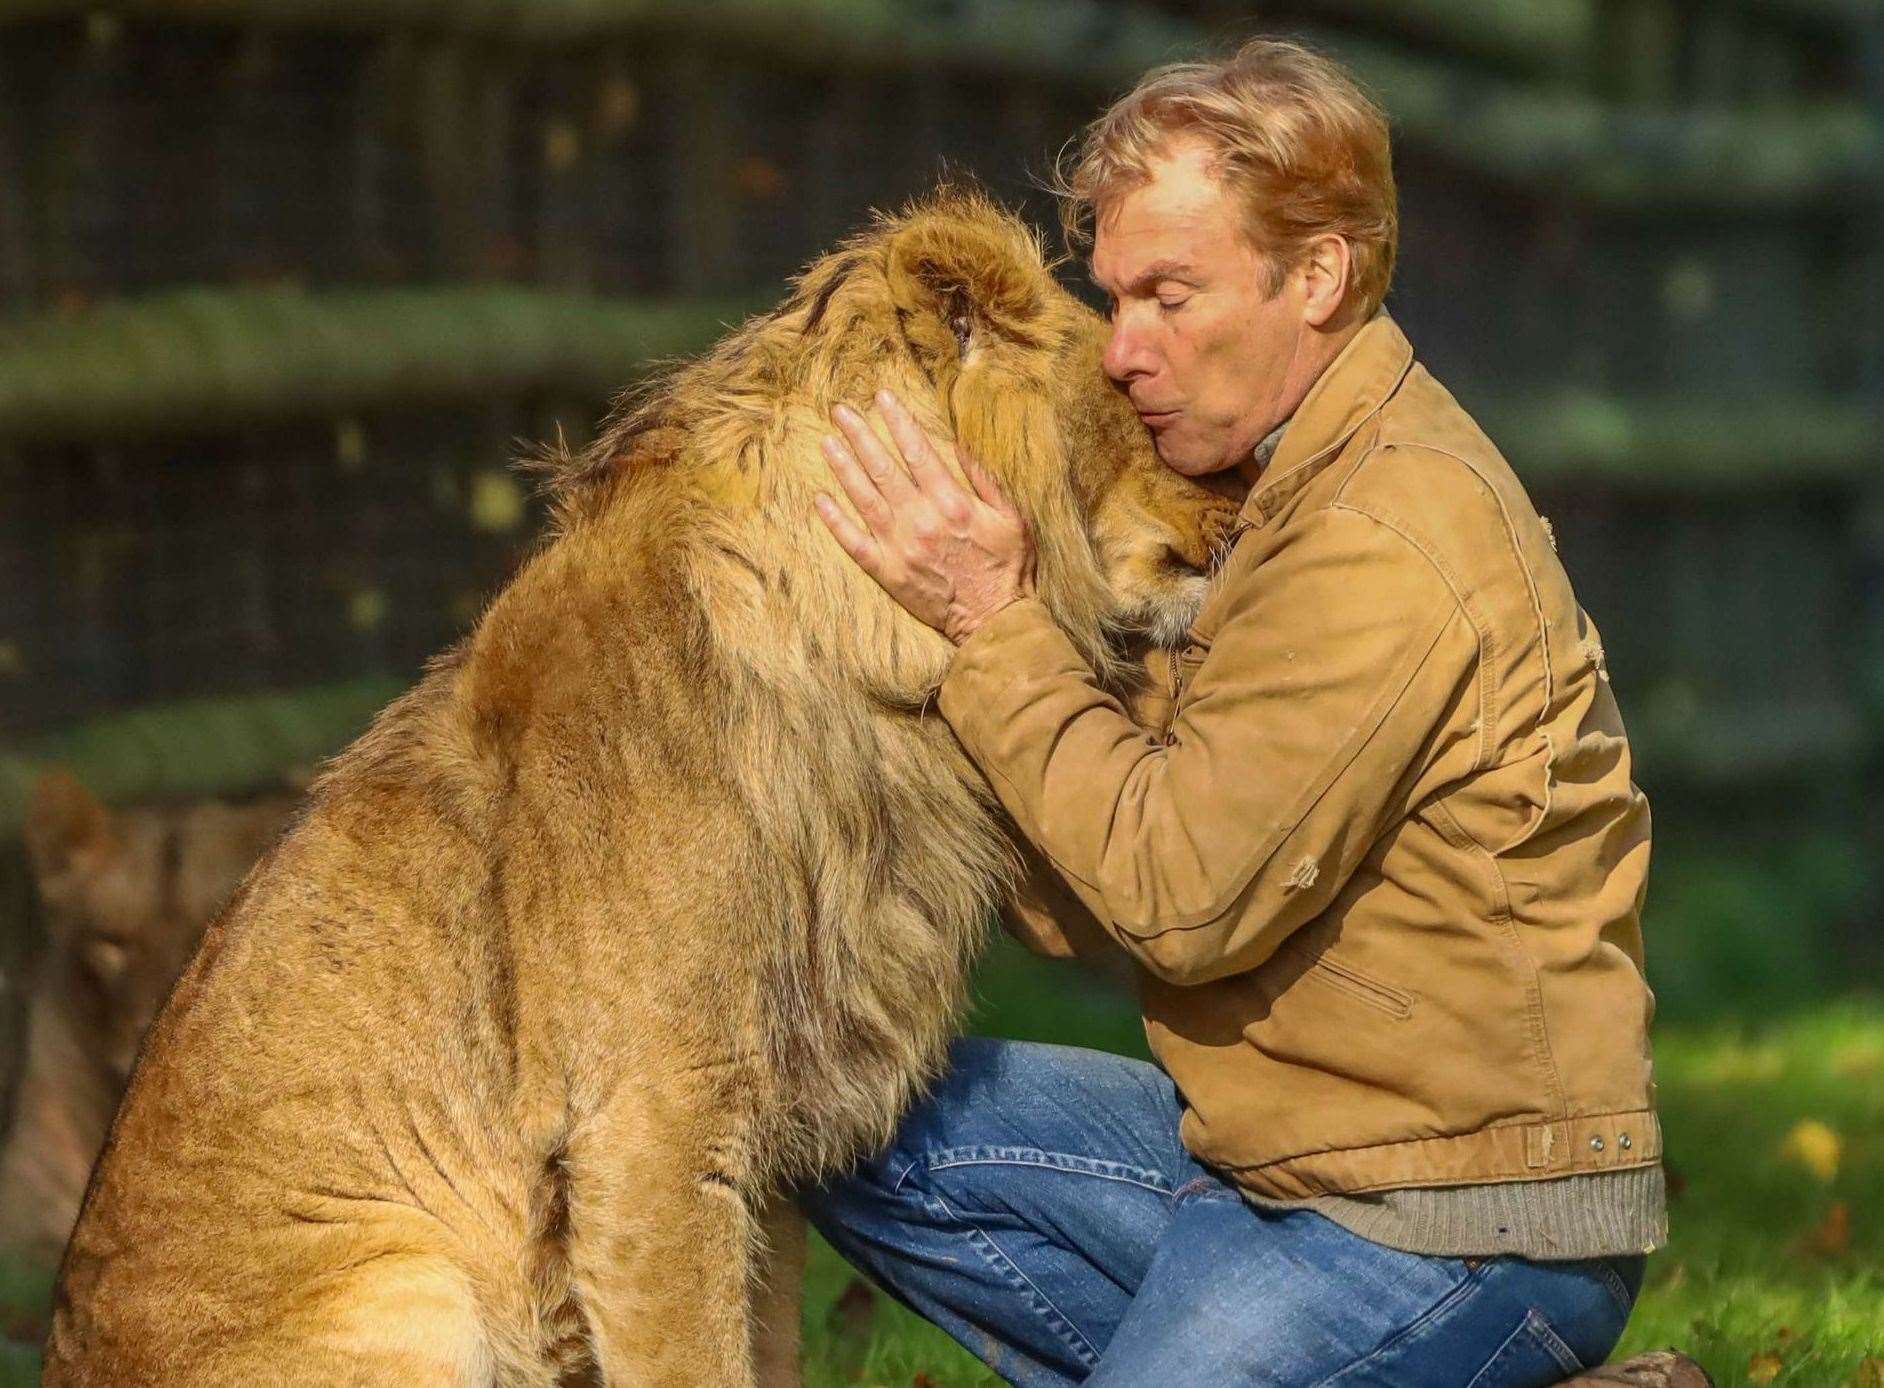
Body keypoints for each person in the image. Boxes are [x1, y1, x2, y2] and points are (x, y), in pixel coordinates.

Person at [806, 38, 1665, 1387]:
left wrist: (993, 625)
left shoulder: (1385, 535)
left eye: (1170, 295)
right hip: (1270, 1153)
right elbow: (1092, 882)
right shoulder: (1281, 494)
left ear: (1315, 275)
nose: (1122, 352)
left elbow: (1178, 897)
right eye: (1114, 298)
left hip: (1453, 1221)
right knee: (832, 1106)